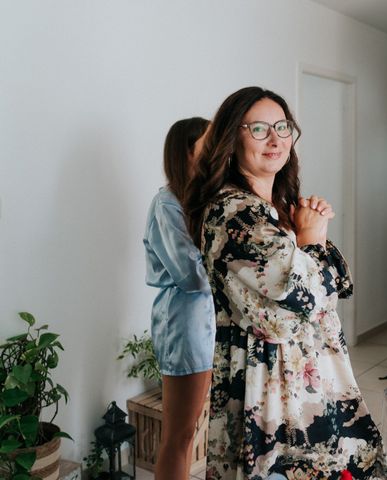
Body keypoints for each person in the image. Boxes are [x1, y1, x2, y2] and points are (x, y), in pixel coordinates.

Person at [184, 87, 387, 480]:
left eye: (283, 127)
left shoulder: (275, 207)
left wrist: (310, 236)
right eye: (259, 129)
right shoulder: (234, 213)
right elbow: (292, 312)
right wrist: (311, 240)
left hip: (304, 379)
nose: (276, 139)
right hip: (272, 390)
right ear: (232, 139)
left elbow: (336, 287)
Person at [143, 117, 215, 480]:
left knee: (192, 431)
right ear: (186, 152)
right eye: (207, 145)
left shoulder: (201, 200)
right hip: (184, 322)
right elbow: (192, 276)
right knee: (179, 435)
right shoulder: (167, 203)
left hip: (205, 320)